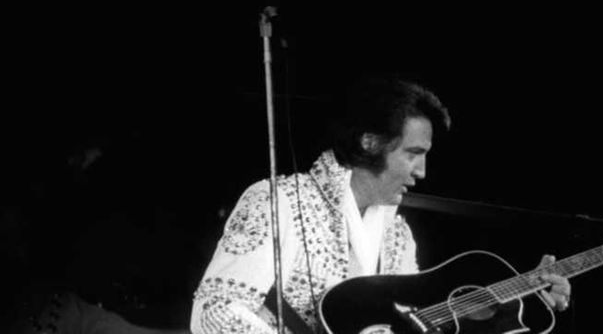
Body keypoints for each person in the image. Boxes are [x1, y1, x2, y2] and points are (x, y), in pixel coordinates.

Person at [190, 76, 571, 334]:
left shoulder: (398, 235)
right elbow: (215, 311)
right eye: (413, 153)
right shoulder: (280, 200)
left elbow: (420, 320)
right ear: (370, 142)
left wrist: (517, 302)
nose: (421, 171)